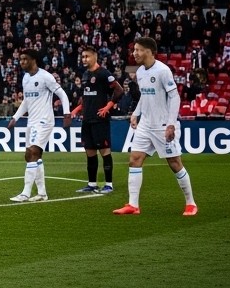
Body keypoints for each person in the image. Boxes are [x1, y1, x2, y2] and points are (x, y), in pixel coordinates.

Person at [113, 37, 198, 216]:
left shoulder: (163, 71)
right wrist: (136, 113)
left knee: (174, 163)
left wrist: (171, 124)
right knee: (134, 159)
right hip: (146, 125)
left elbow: (175, 97)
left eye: (138, 50)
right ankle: (133, 205)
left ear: (149, 52)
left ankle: (191, 203)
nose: (134, 53)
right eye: (134, 50)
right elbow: (145, 96)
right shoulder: (141, 72)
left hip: (162, 125)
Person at [4, 48, 71, 202]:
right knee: (34, 156)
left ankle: (25, 193)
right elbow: (26, 101)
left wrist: (67, 113)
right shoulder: (25, 78)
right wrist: (15, 117)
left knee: (32, 153)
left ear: (33, 60)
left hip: (44, 121)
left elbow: (62, 94)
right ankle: (42, 193)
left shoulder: (45, 77)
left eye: (25, 59)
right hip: (31, 121)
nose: (22, 62)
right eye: (20, 59)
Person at [70, 46, 124, 194]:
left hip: (100, 119)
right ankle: (92, 184)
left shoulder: (103, 73)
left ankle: (109, 184)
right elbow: (87, 96)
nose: (84, 59)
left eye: (87, 56)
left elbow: (119, 90)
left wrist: (108, 106)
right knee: (90, 152)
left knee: (104, 151)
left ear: (94, 57)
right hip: (87, 119)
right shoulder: (86, 74)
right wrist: (76, 109)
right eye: (83, 57)